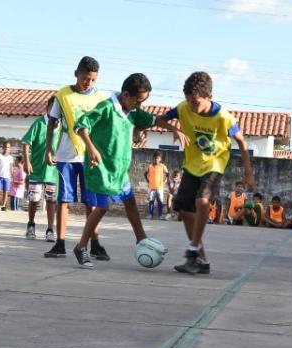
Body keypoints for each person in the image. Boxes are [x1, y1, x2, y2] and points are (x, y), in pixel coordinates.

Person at [71, 73, 187, 268]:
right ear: (126, 94)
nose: (139, 105)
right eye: (138, 101)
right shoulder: (106, 108)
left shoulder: (132, 111)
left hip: (119, 170)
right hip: (101, 169)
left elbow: (153, 119)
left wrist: (173, 129)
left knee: (130, 202)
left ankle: (141, 240)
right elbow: (81, 125)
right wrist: (92, 150)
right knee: (102, 208)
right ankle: (81, 247)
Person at [161, 71, 254, 274]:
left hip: (214, 164)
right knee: (184, 210)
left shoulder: (224, 117)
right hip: (192, 165)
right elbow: (159, 120)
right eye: (188, 101)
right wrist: (174, 129)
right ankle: (200, 260)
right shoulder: (183, 108)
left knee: (202, 201)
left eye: (196, 102)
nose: (192, 106)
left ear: (209, 97)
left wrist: (248, 174)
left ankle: (193, 249)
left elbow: (242, 142)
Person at [44, 56, 108, 259]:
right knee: (63, 200)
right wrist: (48, 149)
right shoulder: (62, 95)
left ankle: (95, 243)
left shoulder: (100, 98)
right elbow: (52, 123)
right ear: (76, 74)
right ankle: (60, 243)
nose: (88, 83)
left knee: (92, 202)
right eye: (85, 78)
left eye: (92, 80)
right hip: (66, 156)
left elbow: (106, 126)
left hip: (90, 156)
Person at [22, 96, 59, 241]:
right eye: (53, 107)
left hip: (53, 172)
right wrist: (27, 162)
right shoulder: (39, 123)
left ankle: (50, 229)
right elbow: (26, 142)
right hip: (37, 169)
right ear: (47, 108)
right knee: (34, 198)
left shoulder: (62, 126)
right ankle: (31, 225)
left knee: (51, 200)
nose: (55, 111)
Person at [144, 150, 169, 220]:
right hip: (152, 187)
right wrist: (148, 181)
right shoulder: (150, 166)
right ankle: (150, 215)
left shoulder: (162, 166)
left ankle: (160, 215)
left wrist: (165, 180)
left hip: (160, 187)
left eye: (158, 158)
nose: (156, 159)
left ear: (160, 159)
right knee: (151, 201)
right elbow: (145, 174)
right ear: (153, 158)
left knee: (160, 201)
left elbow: (167, 173)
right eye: (155, 158)